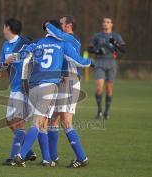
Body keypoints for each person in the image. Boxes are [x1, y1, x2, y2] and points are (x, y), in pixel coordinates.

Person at [13, 20, 93, 167]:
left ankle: (59, 158)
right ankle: (45, 157)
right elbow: (81, 61)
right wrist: (91, 62)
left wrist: (23, 79)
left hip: (49, 83)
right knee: (49, 121)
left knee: (56, 121)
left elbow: (22, 56)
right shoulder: (62, 43)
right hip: (53, 84)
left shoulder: (50, 41)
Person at [45, 15, 89, 168]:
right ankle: (52, 157)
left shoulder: (71, 39)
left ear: (69, 25)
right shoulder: (62, 39)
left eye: (61, 23)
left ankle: (82, 158)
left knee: (66, 120)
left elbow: (57, 34)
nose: (59, 26)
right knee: (53, 120)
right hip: (61, 81)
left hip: (70, 80)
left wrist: (47, 24)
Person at [0, 18, 36, 166]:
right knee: (9, 120)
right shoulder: (5, 46)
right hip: (13, 88)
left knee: (19, 122)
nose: (3, 29)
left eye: (4, 27)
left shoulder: (26, 43)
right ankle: (28, 151)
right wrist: (4, 63)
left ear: (8, 28)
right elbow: (2, 68)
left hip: (24, 88)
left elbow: (35, 62)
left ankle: (14, 158)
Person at [88, 17, 126, 119]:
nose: (106, 24)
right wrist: (97, 51)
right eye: (104, 22)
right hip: (100, 62)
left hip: (111, 63)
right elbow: (89, 49)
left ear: (111, 24)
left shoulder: (116, 36)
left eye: (108, 22)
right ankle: (99, 111)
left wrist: (115, 44)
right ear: (102, 24)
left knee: (109, 90)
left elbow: (123, 49)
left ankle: (106, 112)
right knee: (99, 88)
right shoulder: (97, 36)